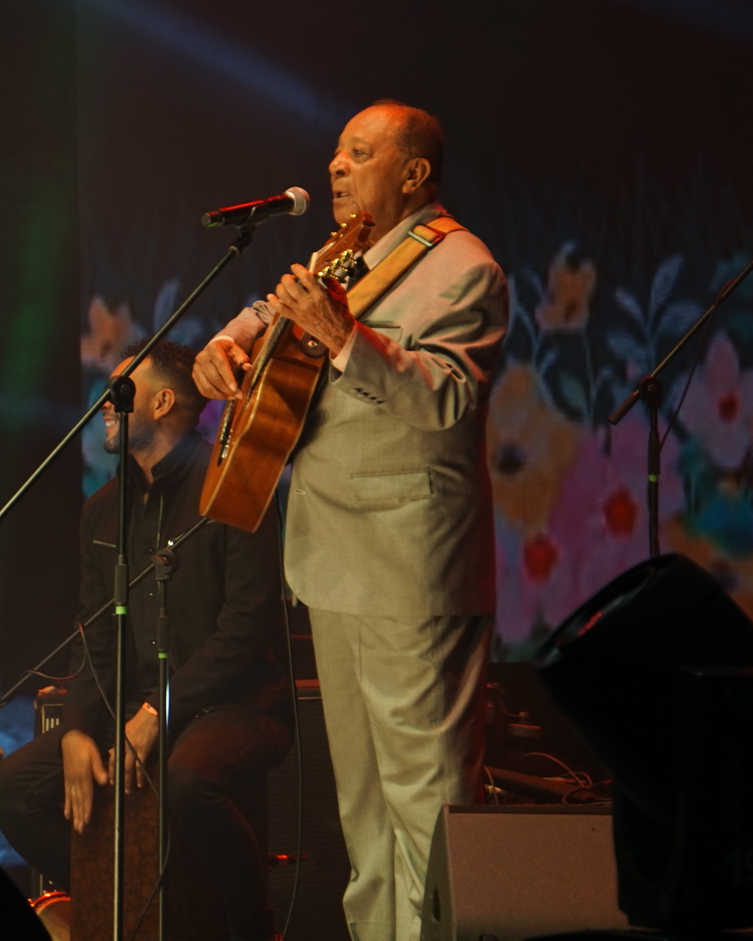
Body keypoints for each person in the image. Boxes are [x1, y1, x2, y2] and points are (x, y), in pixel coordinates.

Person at [192, 100, 508, 941]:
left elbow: (448, 396)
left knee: (429, 801)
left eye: (359, 153)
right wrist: (219, 349)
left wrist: (343, 339)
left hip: (411, 568)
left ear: (414, 174)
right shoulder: (344, 256)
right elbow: (258, 319)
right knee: (364, 813)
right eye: (336, 152)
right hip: (334, 560)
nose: (336, 166)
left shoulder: (462, 265)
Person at [0, 339, 292, 941]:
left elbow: (245, 627)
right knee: (12, 790)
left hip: (235, 705)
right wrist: (76, 727)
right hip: (135, 707)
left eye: (119, 390)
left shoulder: (233, 485)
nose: (103, 401)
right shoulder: (103, 509)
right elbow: (95, 633)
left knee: (186, 778)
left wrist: (159, 711)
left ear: (165, 400)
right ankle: (118, 891)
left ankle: (252, 928)